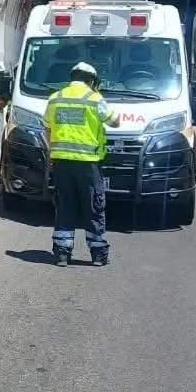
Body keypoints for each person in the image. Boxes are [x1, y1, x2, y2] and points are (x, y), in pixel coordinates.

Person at [43, 62, 120, 268]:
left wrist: (52, 155)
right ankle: (98, 253)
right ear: (91, 81)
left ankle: (61, 253)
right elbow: (115, 121)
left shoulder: (55, 98)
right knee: (94, 206)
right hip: (88, 164)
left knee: (65, 205)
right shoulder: (94, 99)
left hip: (61, 162)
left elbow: (47, 129)